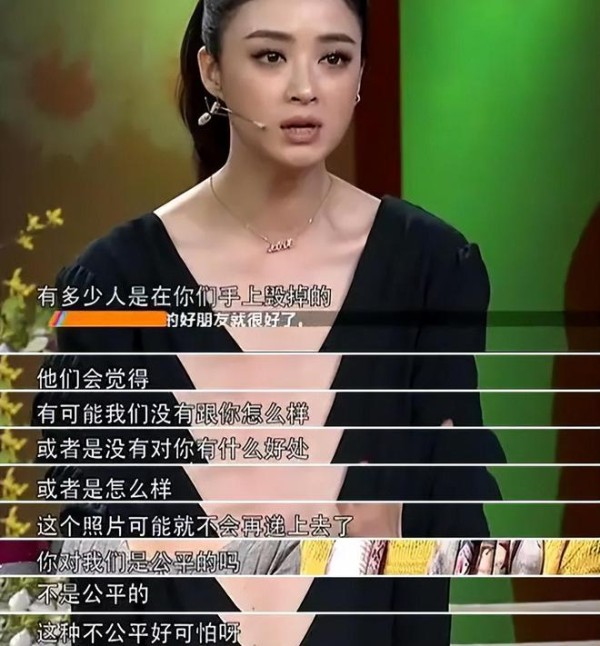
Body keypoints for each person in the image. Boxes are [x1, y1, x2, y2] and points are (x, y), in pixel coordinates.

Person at [33, 0, 506, 644]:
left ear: (361, 73)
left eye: (333, 57)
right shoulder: (112, 282)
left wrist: (398, 525)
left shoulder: (428, 267)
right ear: (212, 71)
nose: (305, 88)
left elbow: (457, 516)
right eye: (270, 55)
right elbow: (93, 545)